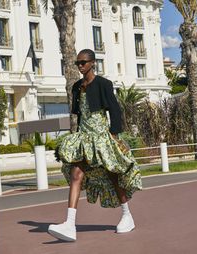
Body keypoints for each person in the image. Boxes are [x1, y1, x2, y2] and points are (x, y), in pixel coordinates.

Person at [48, 49, 142, 242]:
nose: (80, 66)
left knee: (113, 175)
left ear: (93, 63)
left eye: (83, 62)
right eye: (78, 63)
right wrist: (76, 136)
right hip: (84, 137)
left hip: (101, 136)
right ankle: (69, 225)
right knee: (76, 174)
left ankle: (127, 215)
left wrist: (114, 135)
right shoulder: (76, 87)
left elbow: (114, 109)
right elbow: (80, 114)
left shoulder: (103, 84)